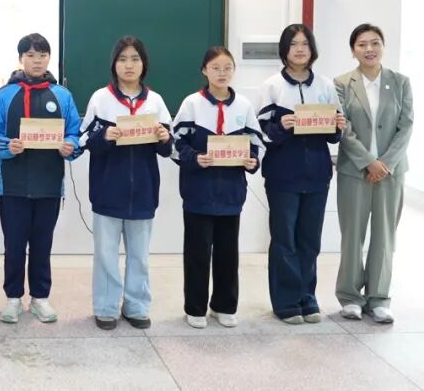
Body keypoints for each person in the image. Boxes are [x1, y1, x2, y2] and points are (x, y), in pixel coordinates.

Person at [0, 33, 81, 325]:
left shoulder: (62, 95)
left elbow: (75, 132)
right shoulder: (5, 94)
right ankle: (13, 298)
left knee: (42, 245)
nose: (37, 61)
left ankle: (40, 298)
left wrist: (70, 146)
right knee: (14, 246)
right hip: (12, 187)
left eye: (42, 55)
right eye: (30, 55)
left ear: (49, 59)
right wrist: (7, 146)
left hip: (49, 186)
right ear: (20, 59)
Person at [79, 36, 172, 330]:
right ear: (114, 64)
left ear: (144, 64)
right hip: (107, 189)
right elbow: (84, 139)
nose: (128, 65)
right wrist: (104, 137)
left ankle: (137, 306)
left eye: (135, 59)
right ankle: (106, 308)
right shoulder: (100, 98)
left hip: (143, 190)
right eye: (122, 59)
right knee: (106, 254)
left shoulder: (155, 101)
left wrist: (164, 137)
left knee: (140, 255)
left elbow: (167, 148)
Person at [257, 24, 346, 324]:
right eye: (293, 44)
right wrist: (281, 127)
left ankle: (307, 298)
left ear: (312, 49)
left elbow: (334, 134)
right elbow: (260, 133)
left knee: (310, 240)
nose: (299, 49)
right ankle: (285, 302)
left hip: (318, 174)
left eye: (305, 44)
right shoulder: (271, 86)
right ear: (284, 49)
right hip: (283, 174)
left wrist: (338, 126)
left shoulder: (325, 85)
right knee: (284, 239)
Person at [172, 46, 264, 329]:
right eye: (215, 68)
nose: (222, 73)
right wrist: (194, 158)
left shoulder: (243, 106)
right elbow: (175, 144)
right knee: (197, 253)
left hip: (230, 193)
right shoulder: (192, 104)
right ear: (204, 70)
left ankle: (224, 306)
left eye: (227, 68)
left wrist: (252, 161)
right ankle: (195, 308)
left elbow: (257, 143)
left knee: (228, 253)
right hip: (198, 192)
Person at [334, 23, 413, 324]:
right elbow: (342, 128)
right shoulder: (342, 84)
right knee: (352, 234)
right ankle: (350, 297)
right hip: (354, 171)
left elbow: (406, 126)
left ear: (383, 46)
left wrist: (385, 164)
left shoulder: (400, 82)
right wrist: (368, 161)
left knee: (384, 235)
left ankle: (379, 298)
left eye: (375, 43)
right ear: (353, 50)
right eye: (362, 44)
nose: (369, 49)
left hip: (391, 173)